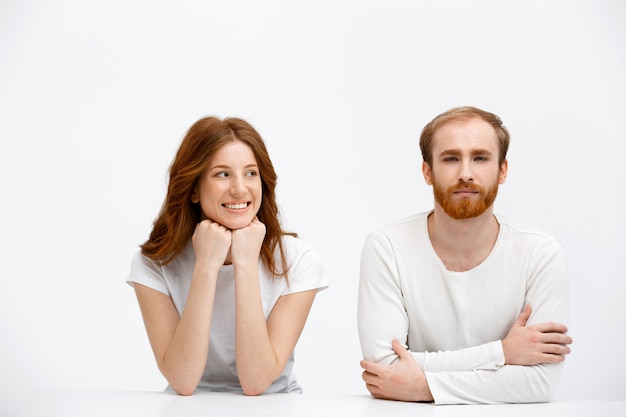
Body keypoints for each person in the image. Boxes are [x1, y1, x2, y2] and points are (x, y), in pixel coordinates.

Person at [357, 106, 572, 404]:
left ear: (502, 170)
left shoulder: (541, 253)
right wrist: (503, 353)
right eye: (451, 158)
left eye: (480, 158)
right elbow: (385, 369)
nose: (466, 173)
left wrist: (424, 387)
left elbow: (539, 383)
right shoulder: (386, 247)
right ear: (427, 171)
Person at [127, 116, 327, 396]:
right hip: (187, 409)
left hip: (273, 408)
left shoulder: (298, 260)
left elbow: (256, 382)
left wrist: (245, 263)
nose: (239, 189)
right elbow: (183, 381)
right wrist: (207, 266)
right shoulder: (154, 264)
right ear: (193, 189)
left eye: (250, 173)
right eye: (222, 174)